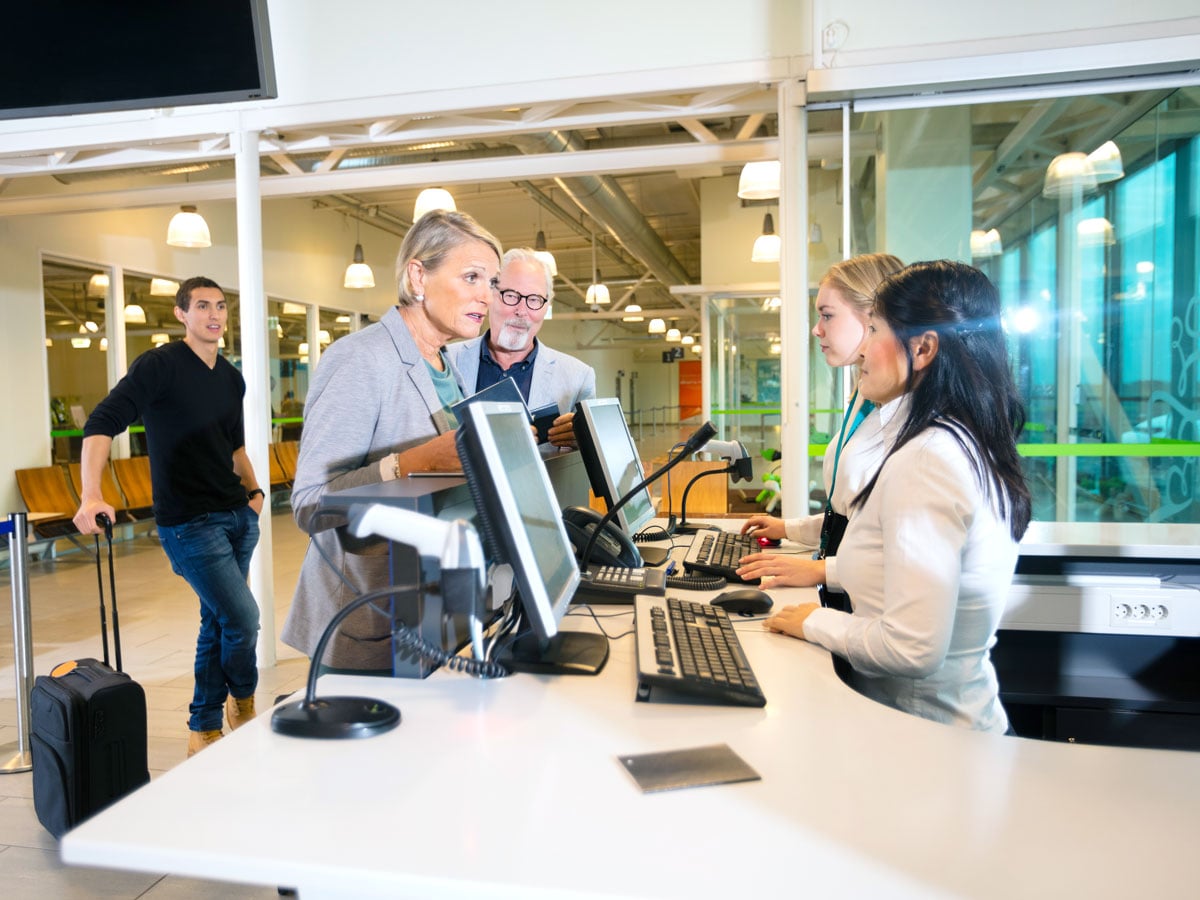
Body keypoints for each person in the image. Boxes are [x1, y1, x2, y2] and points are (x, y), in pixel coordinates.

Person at [739, 260, 1032, 732]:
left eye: (874, 330)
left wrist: (812, 621)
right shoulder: (958, 438)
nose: (864, 352)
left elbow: (911, 647)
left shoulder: (930, 460)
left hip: (930, 738)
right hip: (930, 726)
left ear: (923, 348)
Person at [282, 210, 502, 672]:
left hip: (431, 614)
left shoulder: (449, 365)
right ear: (418, 275)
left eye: (492, 281)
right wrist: (406, 464)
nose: (487, 295)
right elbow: (308, 504)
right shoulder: (361, 360)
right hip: (366, 620)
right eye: (472, 277)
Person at [72, 276, 264, 757]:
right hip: (189, 523)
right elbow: (101, 424)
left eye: (220, 307)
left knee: (218, 621)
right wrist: (90, 495)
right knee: (243, 618)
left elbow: (234, 445)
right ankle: (242, 698)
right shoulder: (159, 366)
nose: (214, 316)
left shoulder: (230, 376)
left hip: (237, 517)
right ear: (181, 314)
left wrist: (255, 493)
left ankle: (203, 728)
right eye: (202, 306)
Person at [740, 253, 904, 607]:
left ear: (873, 315)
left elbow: (900, 551)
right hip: (848, 597)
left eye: (827, 315)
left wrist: (818, 571)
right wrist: (790, 529)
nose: (817, 328)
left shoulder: (904, 413)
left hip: (874, 612)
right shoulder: (865, 394)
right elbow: (856, 521)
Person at [444, 247, 595, 449]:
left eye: (534, 299)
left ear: (546, 307)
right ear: (490, 295)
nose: (521, 311)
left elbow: (592, 461)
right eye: (511, 295)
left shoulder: (578, 378)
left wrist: (583, 443)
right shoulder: (444, 362)